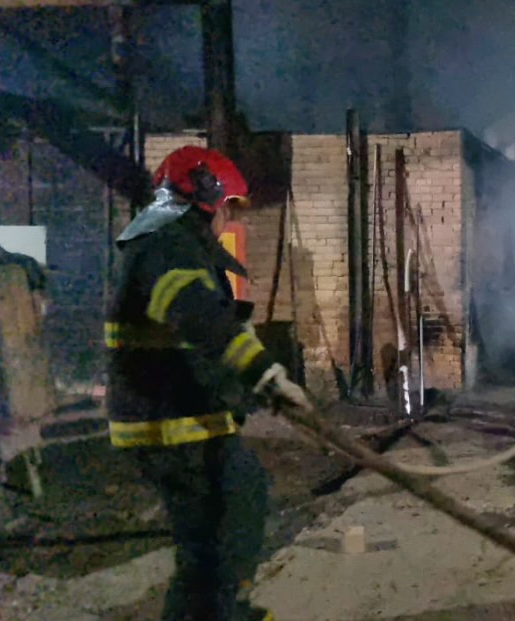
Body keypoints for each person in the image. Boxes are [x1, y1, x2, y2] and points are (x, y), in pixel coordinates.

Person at [105, 145, 311, 621]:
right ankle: (223, 613)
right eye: (227, 207)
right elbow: (196, 314)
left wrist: (253, 385)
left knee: (207, 544)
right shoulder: (165, 246)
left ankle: (214, 612)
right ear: (205, 198)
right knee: (231, 517)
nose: (227, 217)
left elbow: (203, 326)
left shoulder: (166, 242)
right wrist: (265, 374)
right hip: (171, 426)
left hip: (182, 418)